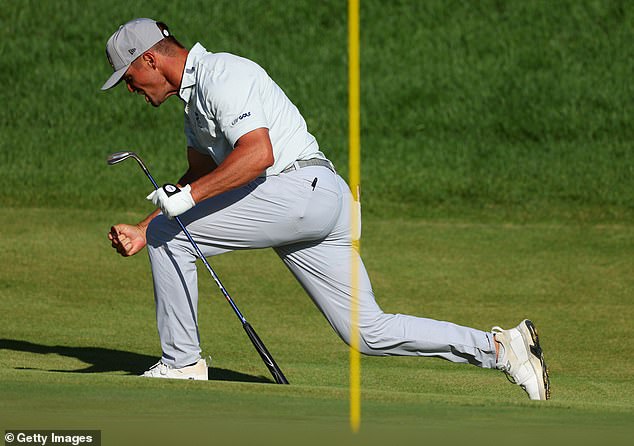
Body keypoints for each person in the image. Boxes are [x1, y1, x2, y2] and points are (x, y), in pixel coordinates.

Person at [102, 18, 550, 400]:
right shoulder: (193, 107)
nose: (130, 88)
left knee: (172, 239)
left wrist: (181, 208)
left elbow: (257, 154)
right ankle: (501, 348)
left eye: (128, 76)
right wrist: (146, 227)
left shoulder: (222, 74)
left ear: (150, 59)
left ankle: (182, 363)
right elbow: (199, 178)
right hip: (316, 200)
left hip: (299, 189)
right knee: (367, 333)